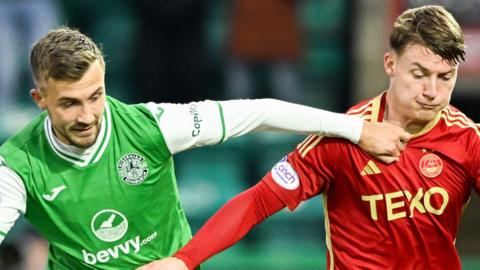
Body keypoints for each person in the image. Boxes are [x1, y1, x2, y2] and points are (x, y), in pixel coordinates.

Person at [0, 27, 408, 269]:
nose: (88, 115)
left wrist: (356, 129)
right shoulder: (17, 166)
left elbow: (260, 112)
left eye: (96, 96)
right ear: (40, 100)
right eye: (70, 103)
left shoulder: (151, 125)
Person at [143, 5, 480, 270]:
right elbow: (259, 201)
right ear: (390, 64)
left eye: (445, 77)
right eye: (419, 74)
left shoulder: (467, 140)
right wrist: (185, 259)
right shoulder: (342, 138)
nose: (432, 92)